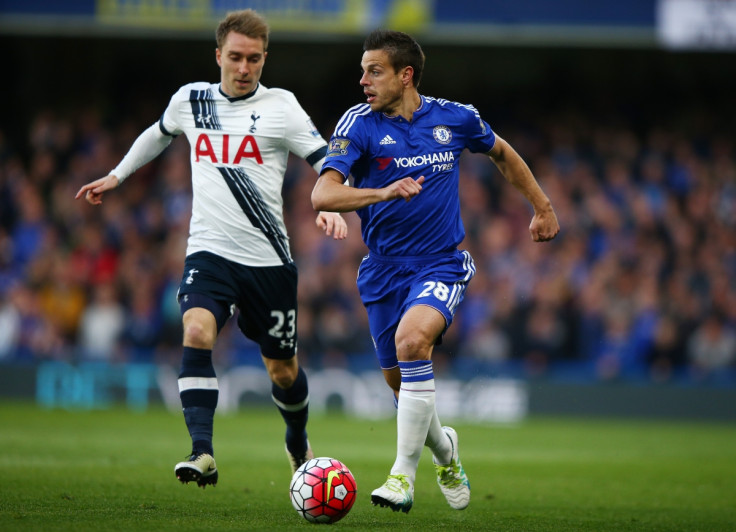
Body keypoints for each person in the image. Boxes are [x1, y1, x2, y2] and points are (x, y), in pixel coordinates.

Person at [76, 9, 347, 488]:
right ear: (218, 55)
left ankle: (296, 441)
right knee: (197, 331)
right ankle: (202, 451)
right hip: (209, 251)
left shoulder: (282, 106)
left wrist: (330, 200)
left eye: (255, 60)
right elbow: (158, 134)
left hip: (269, 261)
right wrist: (117, 175)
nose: (245, 69)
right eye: (237, 58)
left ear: (265, 60)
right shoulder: (191, 100)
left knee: (283, 371)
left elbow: (325, 156)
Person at [312, 29, 559, 513]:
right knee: (400, 384)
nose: (362, 79)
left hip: (441, 262)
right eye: (362, 70)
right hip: (383, 270)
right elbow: (323, 194)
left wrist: (542, 207)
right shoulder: (357, 125)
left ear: (405, 75)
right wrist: (382, 192)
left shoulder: (455, 117)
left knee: (412, 342)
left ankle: (402, 478)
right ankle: (446, 450)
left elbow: (502, 154)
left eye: (374, 70)